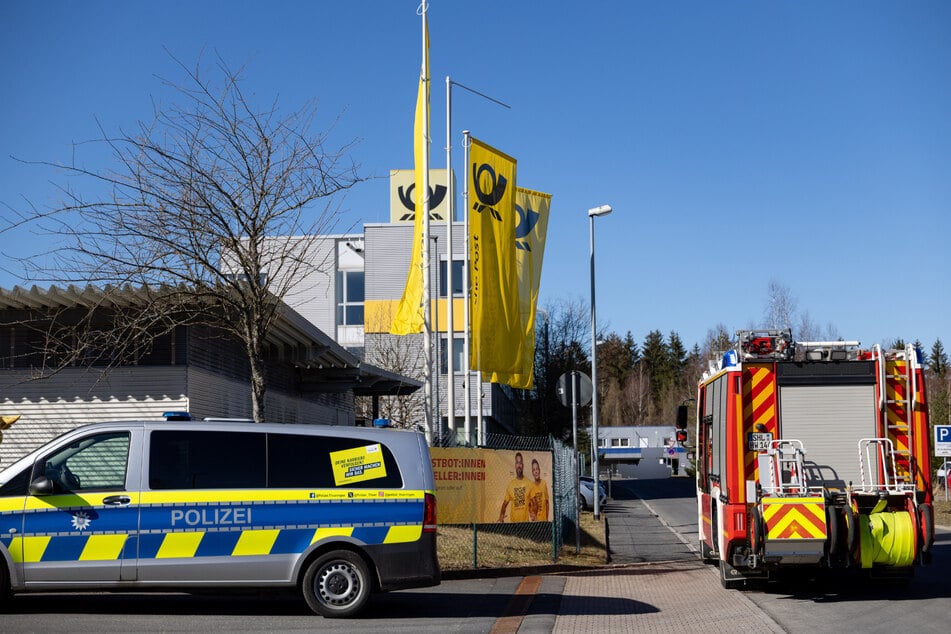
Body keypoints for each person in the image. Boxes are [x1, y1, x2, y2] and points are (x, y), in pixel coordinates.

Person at [498, 452, 529, 522]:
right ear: (515, 465)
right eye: (517, 463)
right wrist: (501, 515)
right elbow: (505, 503)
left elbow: (534, 502)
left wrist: (534, 514)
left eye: (520, 463)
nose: (519, 465)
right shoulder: (510, 485)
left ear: (523, 465)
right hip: (514, 523)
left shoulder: (529, 483)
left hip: (526, 523)